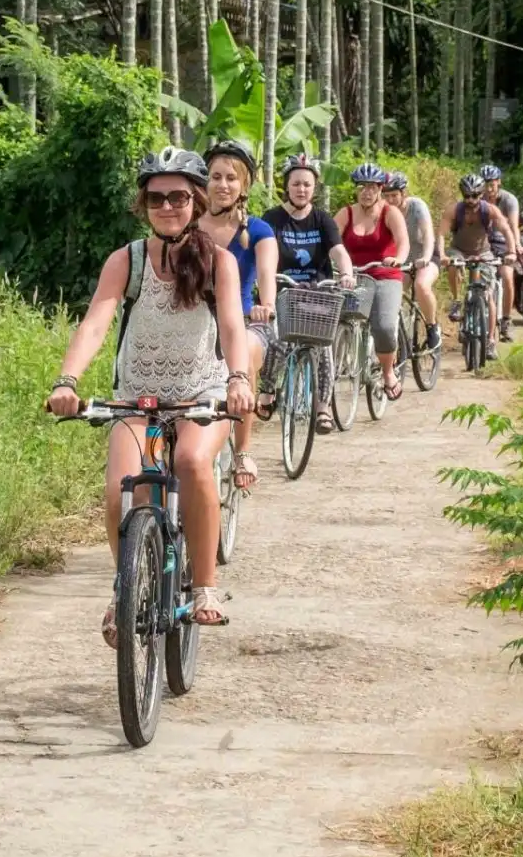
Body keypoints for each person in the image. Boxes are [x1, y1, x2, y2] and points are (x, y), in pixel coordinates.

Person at [46, 147, 254, 633]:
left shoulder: (219, 262)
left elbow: (231, 325)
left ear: (196, 202)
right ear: (143, 204)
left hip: (202, 392)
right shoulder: (127, 259)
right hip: (136, 394)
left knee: (191, 463)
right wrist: (67, 381)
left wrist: (240, 380)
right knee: (124, 492)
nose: (167, 207)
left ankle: (204, 584)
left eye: (178, 196)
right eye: (156, 198)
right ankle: (127, 586)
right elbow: (97, 321)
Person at [261, 152, 356, 434]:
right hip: (284, 295)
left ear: (314, 188)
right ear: (286, 187)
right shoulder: (273, 219)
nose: (301, 189)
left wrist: (347, 273)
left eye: (307, 184)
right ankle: (267, 391)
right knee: (277, 342)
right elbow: (263, 252)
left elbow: (338, 251)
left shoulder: (322, 220)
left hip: (317, 296)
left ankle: (322, 409)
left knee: (323, 346)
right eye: (296, 184)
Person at [201, 138, 276, 492]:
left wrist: (267, 304)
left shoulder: (259, 231)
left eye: (231, 178)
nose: (223, 185)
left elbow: (266, 275)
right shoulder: (188, 226)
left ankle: (243, 450)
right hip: (198, 325)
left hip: (247, 322)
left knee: (243, 355)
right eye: (215, 177)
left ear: (244, 185)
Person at [337, 163, 411, 399]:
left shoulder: (390, 213)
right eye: (362, 187)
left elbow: (403, 242)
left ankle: (388, 372)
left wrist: (397, 259)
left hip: (384, 276)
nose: (367, 192)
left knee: (384, 326)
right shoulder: (346, 213)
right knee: (331, 320)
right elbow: (330, 241)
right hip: (353, 277)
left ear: (380, 188)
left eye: (372, 187)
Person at [444, 172, 515, 341]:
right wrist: (442, 255)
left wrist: (511, 251)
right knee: (453, 265)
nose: (471, 200)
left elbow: (506, 230)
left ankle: (490, 339)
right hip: (459, 249)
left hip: (483, 252)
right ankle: (456, 301)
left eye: (475, 195)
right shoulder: (454, 210)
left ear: (481, 194)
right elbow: (441, 234)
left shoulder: (490, 210)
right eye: (467, 196)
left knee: (488, 295)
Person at [384, 172, 441, 353]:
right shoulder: (383, 211)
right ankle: (399, 337)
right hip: (401, 261)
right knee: (392, 294)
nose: (390, 200)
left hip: (426, 255)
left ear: (404, 194)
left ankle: (432, 327)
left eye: (394, 195)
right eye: (387, 196)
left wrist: (425, 257)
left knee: (421, 285)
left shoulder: (417, 206)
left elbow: (428, 234)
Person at [477, 164, 523, 336]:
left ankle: (506, 319)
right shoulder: (477, 199)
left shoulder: (509, 200)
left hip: (504, 242)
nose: (489, 189)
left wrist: (516, 246)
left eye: (492, 184)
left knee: (507, 276)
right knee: (477, 281)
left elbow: (513, 226)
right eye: (485, 185)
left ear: (499, 183)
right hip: (484, 244)